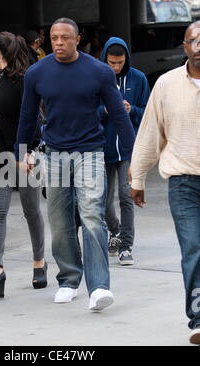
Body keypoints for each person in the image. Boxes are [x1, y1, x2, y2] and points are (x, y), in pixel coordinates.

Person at [15, 18, 135, 311]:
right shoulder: (36, 73)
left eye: (64, 37)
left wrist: (133, 157)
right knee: (59, 221)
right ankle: (69, 280)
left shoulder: (99, 72)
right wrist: (21, 153)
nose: (58, 42)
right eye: (54, 37)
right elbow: (27, 117)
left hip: (91, 152)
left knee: (92, 217)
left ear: (77, 39)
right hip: (55, 154)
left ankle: (99, 287)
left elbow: (119, 115)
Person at [130, 21, 200, 345]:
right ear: (184, 47)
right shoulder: (167, 84)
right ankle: (199, 320)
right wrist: (138, 175)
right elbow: (150, 133)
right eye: (193, 40)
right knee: (193, 250)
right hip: (183, 183)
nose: (199, 45)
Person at [0, 31, 46, 298]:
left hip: (24, 153)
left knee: (31, 211)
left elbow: (35, 118)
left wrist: (30, 151)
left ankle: (39, 261)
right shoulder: (2, 78)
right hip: (1, 151)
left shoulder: (25, 80)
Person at [98, 37, 150, 265]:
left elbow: (149, 111)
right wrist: (105, 110)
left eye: (119, 63)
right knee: (103, 199)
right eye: (111, 62)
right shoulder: (96, 77)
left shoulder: (138, 78)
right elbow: (87, 109)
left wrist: (132, 109)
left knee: (126, 195)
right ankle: (115, 231)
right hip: (102, 146)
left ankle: (126, 246)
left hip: (129, 149)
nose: (115, 67)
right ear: (105, 59)